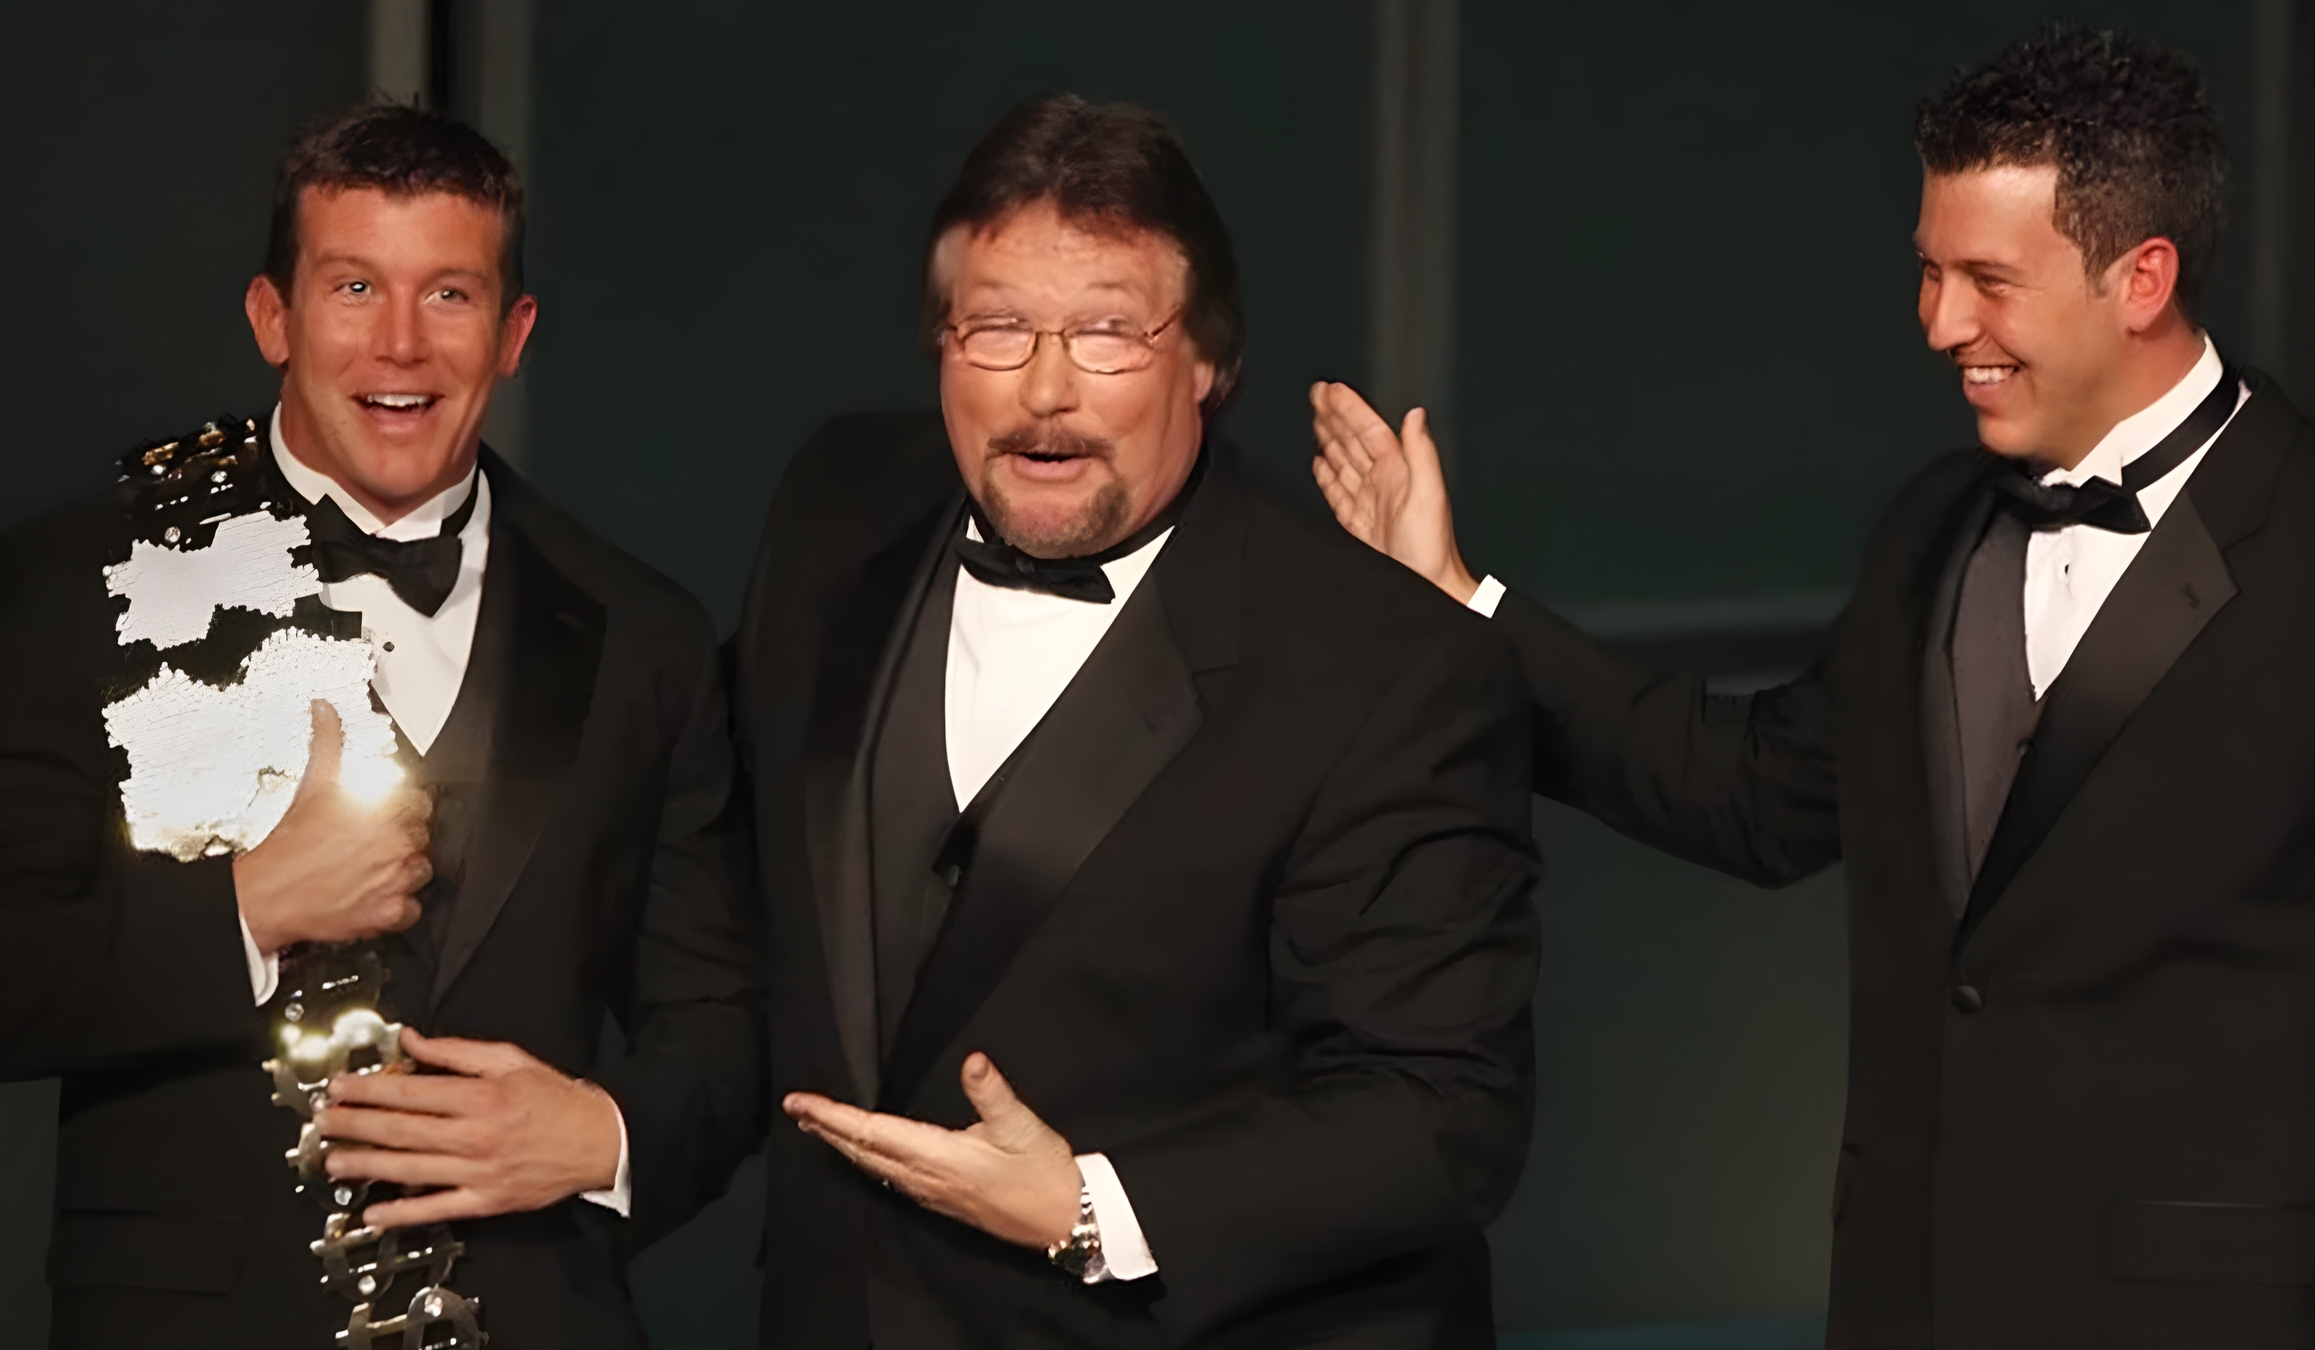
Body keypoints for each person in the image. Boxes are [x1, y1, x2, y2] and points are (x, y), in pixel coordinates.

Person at [1311, 23, 2310, 1349]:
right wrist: (1458, 601)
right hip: (1906, 1298)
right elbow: (1752, 791)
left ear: (2142, 277)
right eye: (1929, 271)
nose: (1940, 322)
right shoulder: (1933, 528)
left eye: (1986, 279)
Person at [0, 105, 760, 1348]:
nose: (402, 343)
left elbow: (726, 1020)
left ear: (515, 333)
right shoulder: (88, 577)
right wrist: (246, 911)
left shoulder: (646, 633)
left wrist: (609, 1135)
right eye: (354, 285)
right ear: (275, 316)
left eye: (452, 295)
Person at [728, 94, 1539, 1347]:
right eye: (998, 326)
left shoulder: (1386, 664)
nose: (1045, 392)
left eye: (1109, 332)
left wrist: (1093, 1207)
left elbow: (1444, 1116)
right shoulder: (838, 499)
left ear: (1207, 359)